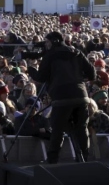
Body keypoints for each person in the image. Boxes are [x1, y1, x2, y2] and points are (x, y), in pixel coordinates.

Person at [33, 31, 95, 163]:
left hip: (61, 97)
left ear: (54, 41)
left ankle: (52, 159)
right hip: (81, 95)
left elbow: (40, 77)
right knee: (82, 128)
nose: (46, 45)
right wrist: (78, 78)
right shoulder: (76, 52)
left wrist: (31, 69)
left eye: (48, 42)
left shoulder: (50, 56)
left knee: (58, 129)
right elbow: (92, 74)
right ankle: (84, 158)